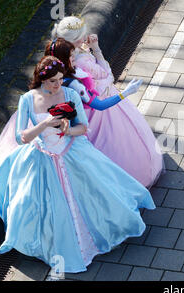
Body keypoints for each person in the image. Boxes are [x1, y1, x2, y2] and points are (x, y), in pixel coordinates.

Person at [0, 56, 156, 273]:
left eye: (60, 79)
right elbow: (21, 137)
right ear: (41, 79)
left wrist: (68, 130)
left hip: (72, 152)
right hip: (42, 157)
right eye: (52, 81)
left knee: (99, 189)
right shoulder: (28, 100)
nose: (58, 84)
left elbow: (83, 128)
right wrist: (45, 124)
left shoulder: (70, 94)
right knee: (41, 205)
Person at [0, 38, 143, 172]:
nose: (75, 58)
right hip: (67, 138)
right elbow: (100, 105)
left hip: (58, 134)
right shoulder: (75, 85)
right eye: (71, 56)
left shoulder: (41, 85)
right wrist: (125, 93)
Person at [51, 16, 164, 188]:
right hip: (99, 103)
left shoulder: (62, 55)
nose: (85, 37)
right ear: (74, 41)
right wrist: (96, 49)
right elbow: (107, 74)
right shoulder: (80, 62)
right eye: (81, 35)